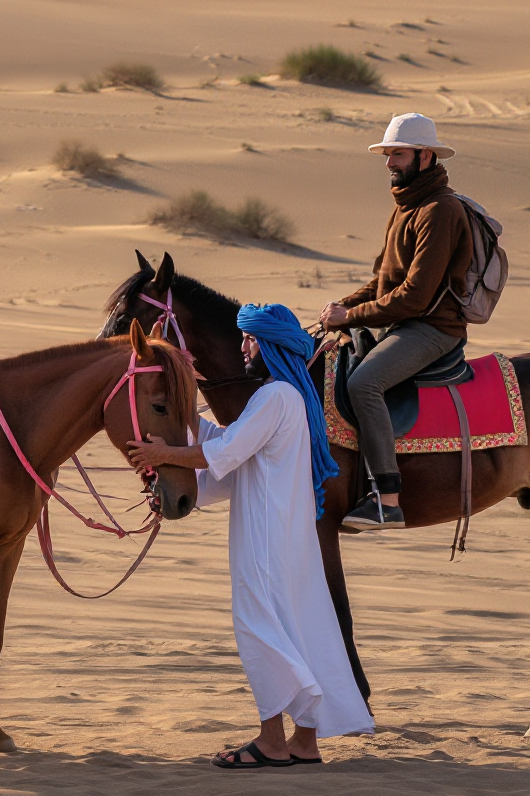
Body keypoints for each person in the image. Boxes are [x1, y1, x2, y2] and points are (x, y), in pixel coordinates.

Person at [130, 302, 374, 767]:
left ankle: (270, 742)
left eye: (251, 339)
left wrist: (166, 452)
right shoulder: (284, 397)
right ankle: (304, 743)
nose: (243, 347)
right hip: (283, 537)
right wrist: (183, 408)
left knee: (262, 632)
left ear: (272, 345)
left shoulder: (275, 396)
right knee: (302, 633)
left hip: (267, 542)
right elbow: (231, 453)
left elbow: (224, 451)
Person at [316, 112, 471, 531]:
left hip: (433, 329)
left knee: (363, 383)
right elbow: (383, 282)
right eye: (387, 155)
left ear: (425, 156)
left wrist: (351, 316)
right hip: (402, 323)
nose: (389, 163)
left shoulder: (440, 211)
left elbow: (415, 296)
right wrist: (338, 311)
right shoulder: (407, 207)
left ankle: (387, 500)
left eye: (397, 154)